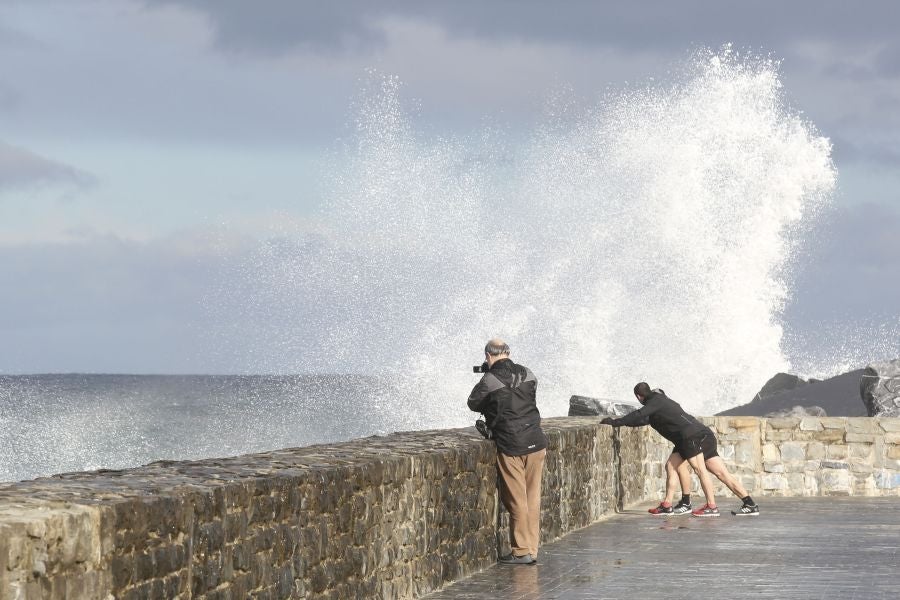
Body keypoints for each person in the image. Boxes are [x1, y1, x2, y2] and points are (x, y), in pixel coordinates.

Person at [600, 383, 758, 517]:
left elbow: (639, 413)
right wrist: (621, 422)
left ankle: (711, 506)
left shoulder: (656, 401)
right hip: (699, 435)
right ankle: (749, 504)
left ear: (639, 397)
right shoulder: (659, 406)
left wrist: (615, 423)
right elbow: (640, 419)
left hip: (691, 437)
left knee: (700, 469)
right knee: (675, 466)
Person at [468, 338, 548, 565]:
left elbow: (473, 402)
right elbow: (525, 395)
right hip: (536, 440)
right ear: (509, 353)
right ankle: (532, 548)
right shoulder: (529, 373)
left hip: (512, 444)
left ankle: (522, 552)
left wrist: (488, 378)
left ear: (488, 355)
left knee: (516, 500)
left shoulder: (491, 378)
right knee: (532, 498)